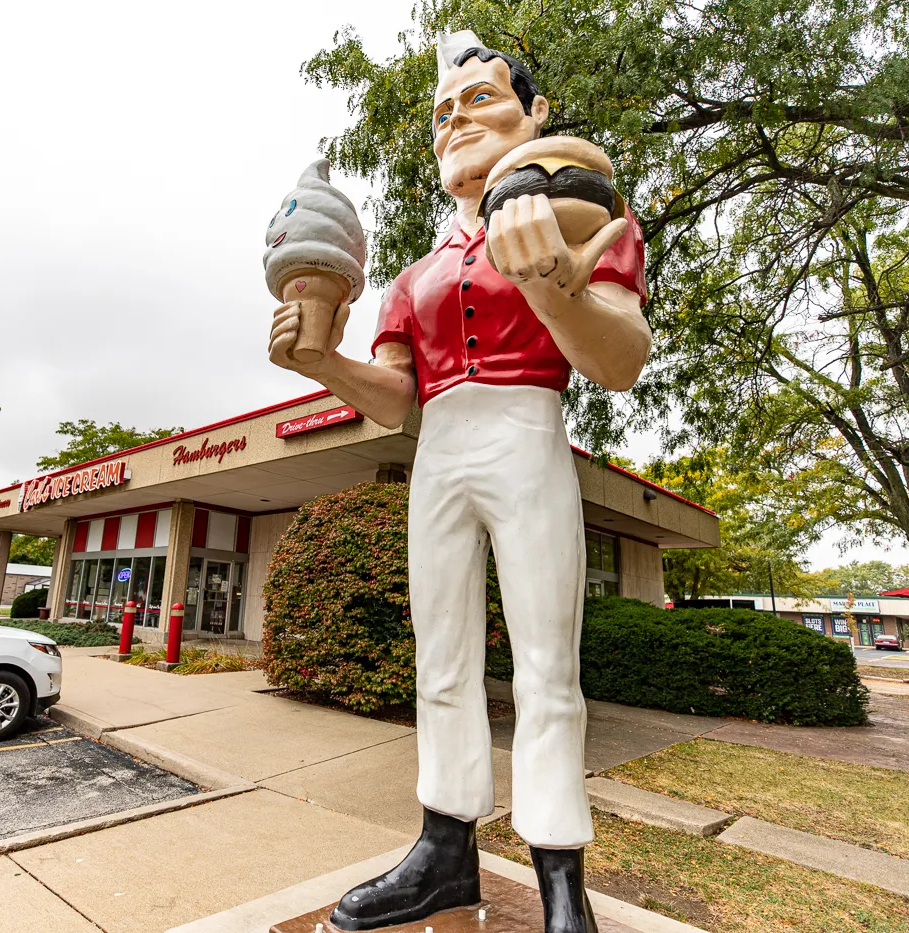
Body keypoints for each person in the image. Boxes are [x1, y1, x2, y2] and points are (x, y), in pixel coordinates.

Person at [267, 31, 650, 933]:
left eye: (478, 100)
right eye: (443, 114)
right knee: (441, 659)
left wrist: (552, 275)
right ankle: (445, 848)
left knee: (549, 665)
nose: (456, 123)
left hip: (526, 431)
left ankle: (561, 872)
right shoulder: (417, 274)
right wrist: (323, 361)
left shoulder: (585, 213)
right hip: (441, 445)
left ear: (534, 114)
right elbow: (398, 400)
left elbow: (622, 358)